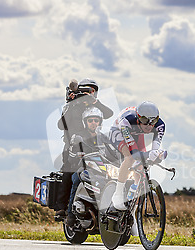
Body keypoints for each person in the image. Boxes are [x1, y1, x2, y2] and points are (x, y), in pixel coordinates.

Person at [55, 78, 113, 220]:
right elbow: (61, 125)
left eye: (92, 91)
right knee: (69, 173)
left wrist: (95, 102)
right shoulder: (72, 107)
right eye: (86, 90)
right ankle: (62, 208)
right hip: (73, 148)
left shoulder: (95, 106)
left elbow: (109, 113)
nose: (89, 93)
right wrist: (74, 103)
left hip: (95, 147)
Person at [108, 101, 166, 212]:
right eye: (145, 122)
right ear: (138, 119)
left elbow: (155, 149)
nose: (149, 126)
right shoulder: (127, 120)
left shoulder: (160, 125)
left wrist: (156, 154)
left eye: (152, 122)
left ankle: (132, 210)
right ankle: (118, 193)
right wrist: (148, 154)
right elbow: (134, 153)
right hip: (118, 132)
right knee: (130, 158)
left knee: (142, 167)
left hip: (137, 135)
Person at [65, 107, 108, 226]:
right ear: (85, 122)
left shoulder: (104, 137)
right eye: (90, 120)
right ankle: (70, 214)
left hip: (101, 169)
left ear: (100, 122)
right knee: (76, 179)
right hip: (84, 167)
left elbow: (113, 152)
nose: (93, 123)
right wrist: (78, 155)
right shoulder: (78, 137)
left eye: (96, 120)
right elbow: (70, 157)